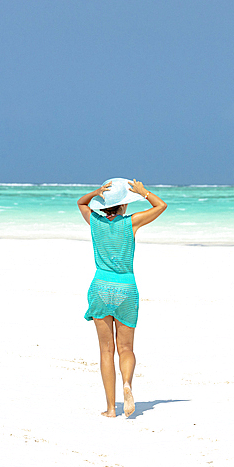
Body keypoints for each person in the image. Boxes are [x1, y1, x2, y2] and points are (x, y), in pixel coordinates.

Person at [77, 179, 167, 418]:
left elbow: (81, 203)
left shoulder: (94, 222)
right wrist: (143, 192)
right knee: (125, 348)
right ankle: (127, 384)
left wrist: (96, 193)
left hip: (100, 287)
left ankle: (109, 409)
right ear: (124, 206)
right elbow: (161, 207)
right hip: (126, 288)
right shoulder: (131, 223)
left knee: (106, 351)